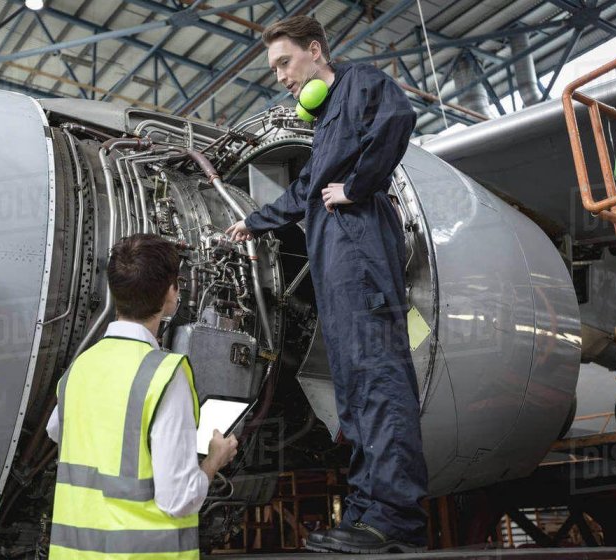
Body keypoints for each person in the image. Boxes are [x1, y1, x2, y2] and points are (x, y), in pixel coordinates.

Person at [226, 15, 428, 554]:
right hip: (335, 271)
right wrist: (256, 220)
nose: (280, 76)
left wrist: (360, 186)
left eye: (284, 62)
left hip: (359, 254)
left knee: (379, 388)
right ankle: (366, 513)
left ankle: (397, 522)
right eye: (273, 69)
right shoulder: (321, 126)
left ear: (316, 51)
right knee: (356, 398)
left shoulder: (359, 82)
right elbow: (305, 193)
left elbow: (399, 119)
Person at [45, 233, 238, 559]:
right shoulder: (165, 375)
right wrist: (214, 460)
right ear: (170, 295)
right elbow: (178, 499)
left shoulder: (81, 368)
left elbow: (56, 431)